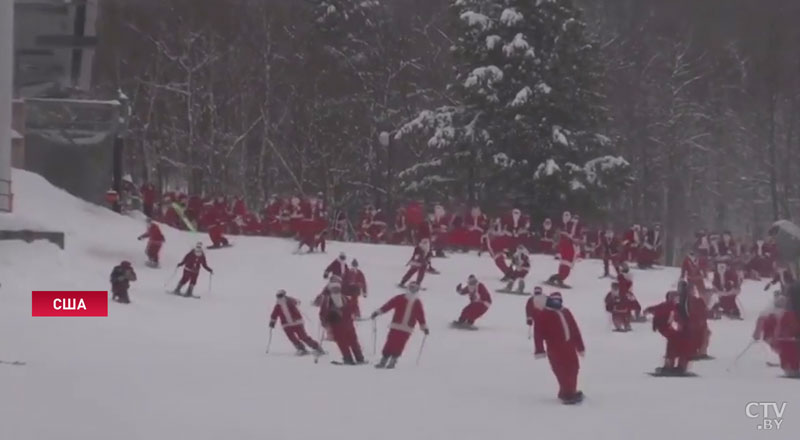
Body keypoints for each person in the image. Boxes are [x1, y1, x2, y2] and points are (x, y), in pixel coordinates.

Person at [533, 292, 585, 404]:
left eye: (558, 300)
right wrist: (539, 349)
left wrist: (580, 346)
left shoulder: (566, 312)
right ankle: (567, 393)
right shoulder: (544, 315)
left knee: (574, 368)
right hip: (555, 347)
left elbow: (575, 329)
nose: (556, 302)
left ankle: (569, 391)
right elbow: (538, 334)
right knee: (561, 369)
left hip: (570, 346)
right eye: (554, 300)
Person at [370, 281, 429, 369]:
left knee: (400, 344)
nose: (413, 290)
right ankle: (384, 360)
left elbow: (421, 316)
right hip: (396, 325)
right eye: (411, 287)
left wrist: (424, 327)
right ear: (408, 288)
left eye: (415, 288)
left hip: (407, 328)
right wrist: (378, 312)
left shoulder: (417, 302)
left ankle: (393, 361)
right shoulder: (400, 298)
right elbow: (389, 305)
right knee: (390, 342)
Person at [644, 289, 691, 375]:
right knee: (675, 344)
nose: (675, 298)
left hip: (672, 330)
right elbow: (656, 309)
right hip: (667, 328)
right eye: (673, 297)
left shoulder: (676, 306)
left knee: (677, 344)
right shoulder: (668, 305)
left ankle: (676, 366)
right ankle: (673, 366)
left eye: (676, 297)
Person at [320, 281, 365, 365]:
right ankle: (358, 358)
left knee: (346, 342)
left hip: (340, 325)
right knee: (350, 341)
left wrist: (324, 321)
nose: (336, 290)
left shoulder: (329, 299)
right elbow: (352, 307)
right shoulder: (342, 298)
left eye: (337, 288)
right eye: (334, 289)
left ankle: (351, 359)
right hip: (345, 324)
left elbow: (323, 312)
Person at [269, 290, 324, 356]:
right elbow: (274, 314)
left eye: (281, 295)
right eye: (278, 296)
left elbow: (297, 302)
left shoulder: (290, 301)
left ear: (284, 295)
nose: (279, 297)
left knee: (303, 337)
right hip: (286, 325)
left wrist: (293, 301)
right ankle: (301, 349)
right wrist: (272, 322)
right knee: (292, 338)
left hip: (297, 323)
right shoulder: (278, 305)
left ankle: (317, 347)